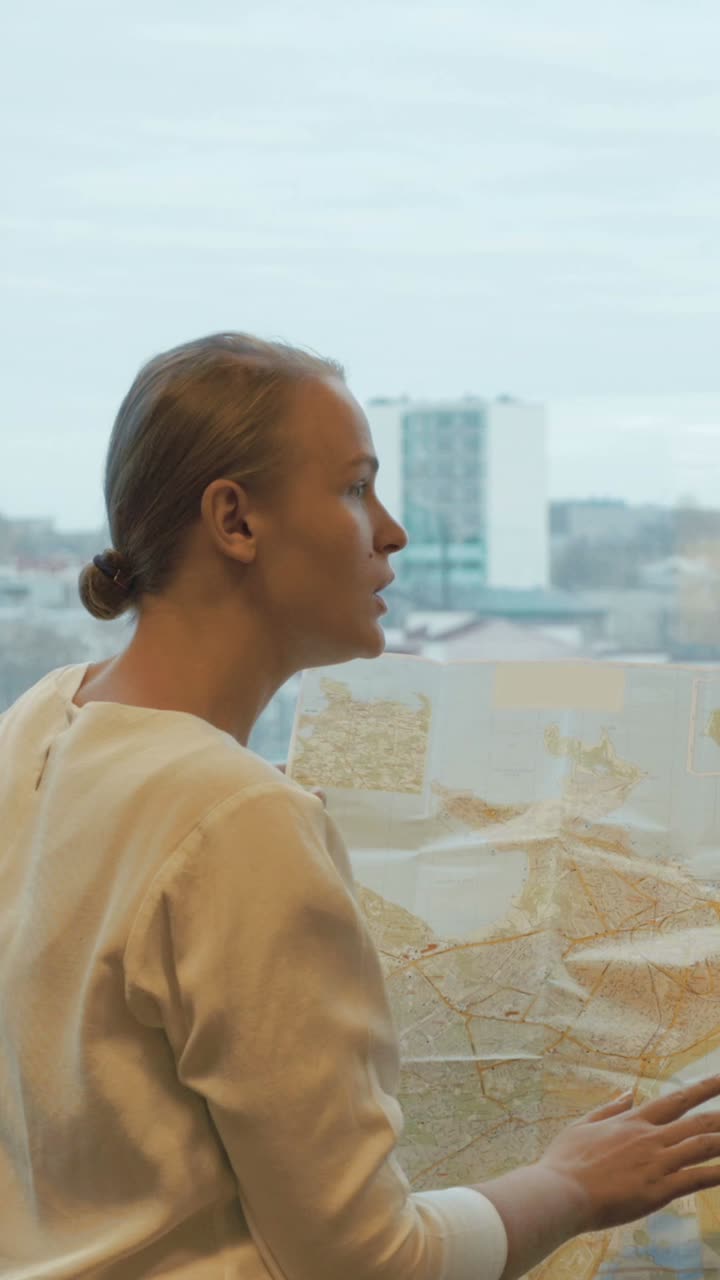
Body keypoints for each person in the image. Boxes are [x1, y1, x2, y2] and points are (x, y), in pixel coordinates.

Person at [2, 332, 720, 1280]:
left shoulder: (39, 719)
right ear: (235, 521)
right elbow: (367, 1264)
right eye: (353, 487)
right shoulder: (235, 816)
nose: (391, 530)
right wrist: (573, 1186)